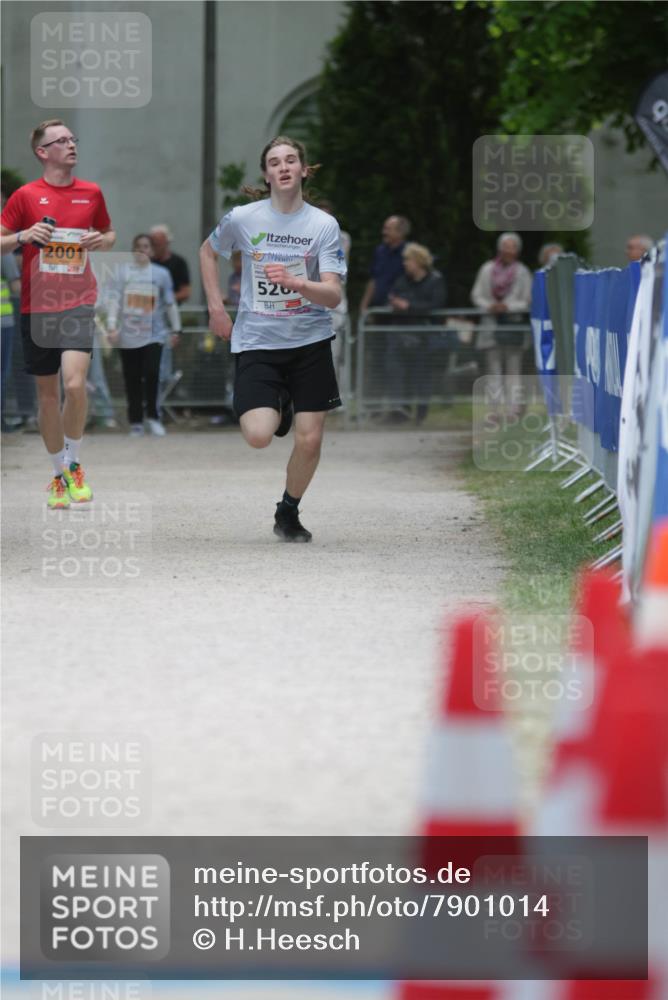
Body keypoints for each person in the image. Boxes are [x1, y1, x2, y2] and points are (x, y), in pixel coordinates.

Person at [200, 135, 346, 543]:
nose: (283, 167)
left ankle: (289, 510)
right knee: (259, 434)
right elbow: (207, 252)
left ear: (303, 169)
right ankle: (279, 400)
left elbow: (333, 293)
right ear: (266, 174)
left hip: (310, 341)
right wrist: (216, 307)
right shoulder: (244, 218)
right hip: (259, 342)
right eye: (275, 162)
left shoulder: (322, 225)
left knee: (311, 439)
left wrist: (299, 283)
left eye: (291, 160)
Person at [0, 119, 115, 508]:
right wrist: (22, 236)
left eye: (72, 139)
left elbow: (108, 231)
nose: (71, 144)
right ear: (42, 152)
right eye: (61, 140)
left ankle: (76, 463)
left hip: (78, 300)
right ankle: (57, 476)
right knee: (47, 397)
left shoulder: (92, 192)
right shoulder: (25, 196)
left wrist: (102, 240)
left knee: (75, 385)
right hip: (37, 307)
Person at [106, 233, 181, 436]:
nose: (142, 250)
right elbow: (113, 300)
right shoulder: (121, 273)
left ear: (152, 251)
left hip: (154, 334)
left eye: (146, 246)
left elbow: (170, 303)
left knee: (152, 374)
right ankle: (136, 422)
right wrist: (112, 326)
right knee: (132, 377)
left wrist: (176, 328)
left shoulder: (161, 274)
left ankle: (153, 417)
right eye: (138, 246)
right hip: (128, 334)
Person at [471, 232, 532, 419]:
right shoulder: (487, 269)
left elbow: (528, 300)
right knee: (493, 370)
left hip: (513, 326)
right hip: (491, 325)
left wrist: (508, 307)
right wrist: (489, 306)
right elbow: (476, 295)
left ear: (517, 251)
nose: (508, 250)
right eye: (505, 246)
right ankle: (494, 410)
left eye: (512, 247)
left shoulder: (522, 272)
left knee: (513, 371)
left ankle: (513, 410)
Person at [387, 242, 446, 424]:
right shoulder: (402, 280)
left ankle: (421, 414)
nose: (404, 263)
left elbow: (436, 305)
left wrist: (409, 306)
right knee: (397, 372)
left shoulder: (435, 280)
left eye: (408, 260)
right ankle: (400, 411)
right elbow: (393, 296)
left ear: (419, 261)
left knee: (421, 376)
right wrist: (397, 303)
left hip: (424, 338)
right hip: (402, 336)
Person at [149, 224, 190, 407]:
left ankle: (161, 405)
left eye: (159, 242)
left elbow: (185, 292)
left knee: (164, 368)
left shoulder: (177, 263)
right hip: (147, 318)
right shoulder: (147, 264)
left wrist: (163, 299)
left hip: (166, 318)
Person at [359, 215, 411, 314]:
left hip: (400, 312)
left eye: (388, 229)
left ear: (400, 232)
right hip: (378, 309)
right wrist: (364, 306)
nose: (384, 232)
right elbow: (373, 279)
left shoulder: (409, 253)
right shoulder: (380, 251)